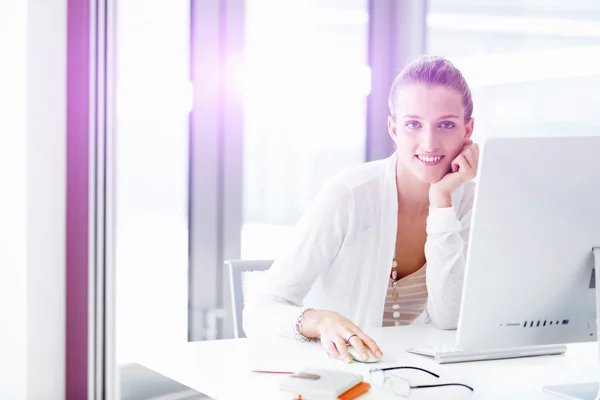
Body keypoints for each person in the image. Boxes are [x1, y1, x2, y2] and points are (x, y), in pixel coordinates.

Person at [243, 55, 480, 364]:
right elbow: (261, 310)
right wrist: (320, 320)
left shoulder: (468, 202)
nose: (429, 142)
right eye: (413, 124)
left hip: (428, 379)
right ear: (393, 129)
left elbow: (449, 319)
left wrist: (441, 202)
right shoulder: (350, 195)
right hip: (343, 378)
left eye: (446, 124)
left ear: (468, 129)